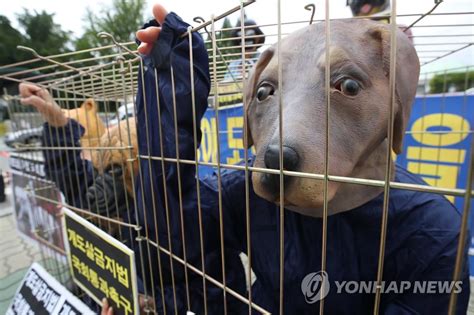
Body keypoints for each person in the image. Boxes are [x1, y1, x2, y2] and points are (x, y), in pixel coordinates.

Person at [21, 3, 469, 314]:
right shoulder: (251, 194)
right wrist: (168, 102)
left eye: (348, 86)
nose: (279, 141)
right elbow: (174, 233)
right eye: (265, 92)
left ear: (397, 103)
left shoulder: (430, 232)